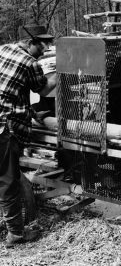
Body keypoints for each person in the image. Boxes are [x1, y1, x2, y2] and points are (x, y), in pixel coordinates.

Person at [0, 24, 56, 247]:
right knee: (8, 180)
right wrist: (62, 72)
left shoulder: (3, 49)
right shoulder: (30, 63)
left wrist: (32, 112)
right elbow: (43, 90)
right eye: (43, 45)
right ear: (30, 42)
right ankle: (15, 233)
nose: (46, 49)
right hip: (6, 128)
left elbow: (9, 91)